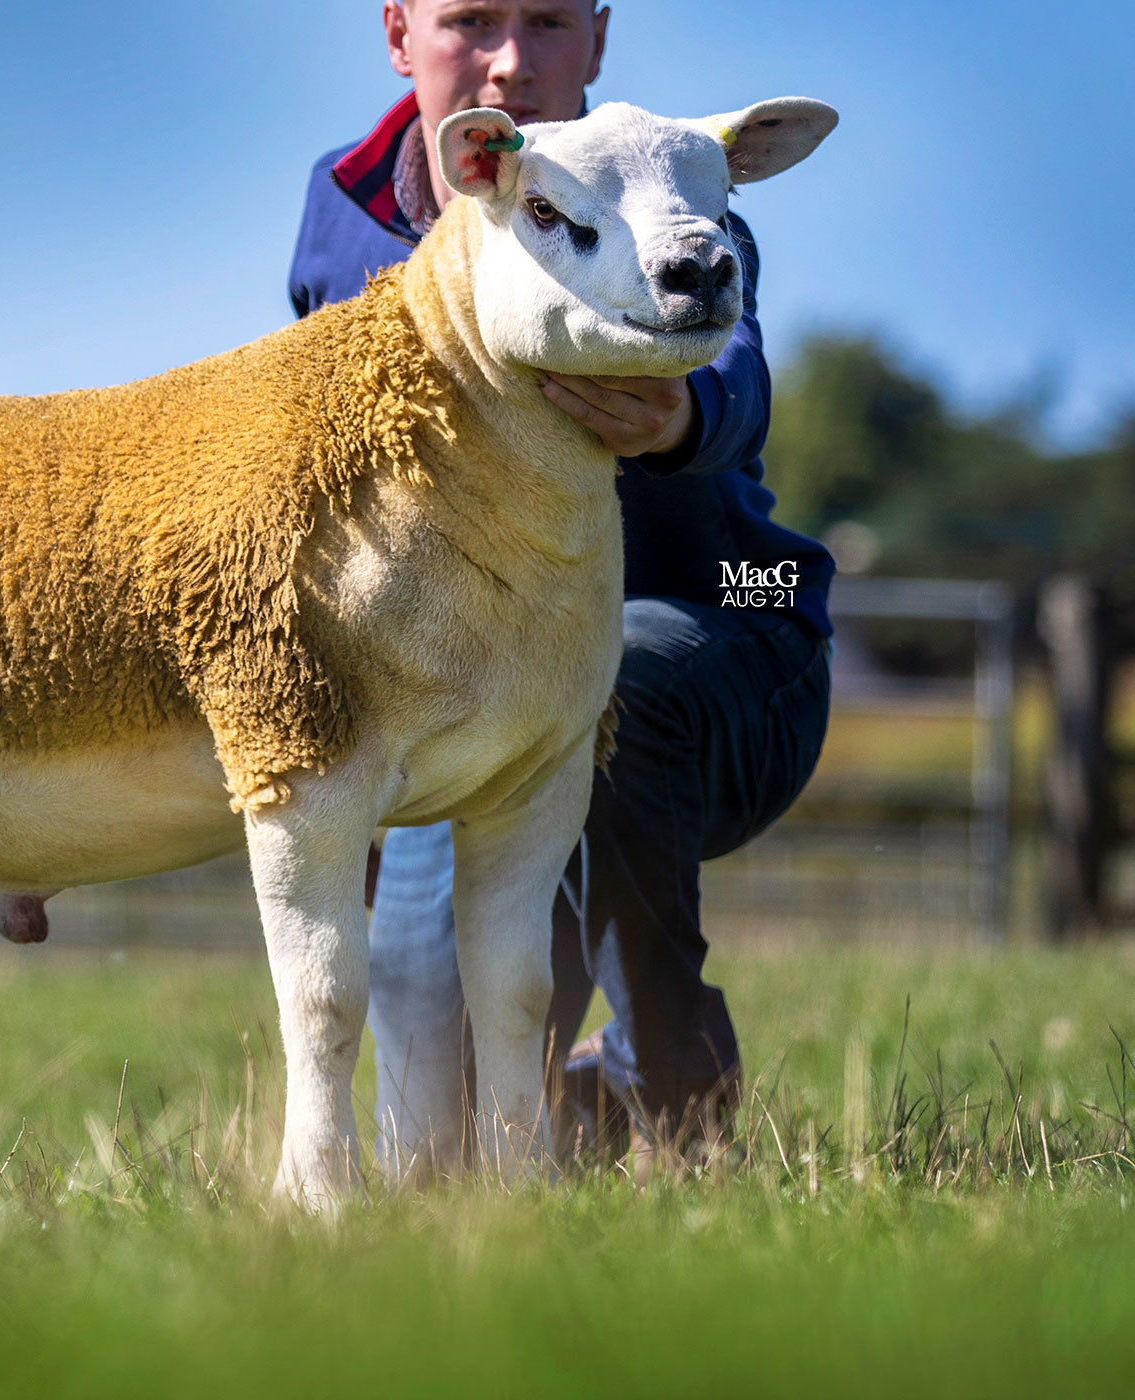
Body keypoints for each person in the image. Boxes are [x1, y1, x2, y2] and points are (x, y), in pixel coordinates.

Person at [289, 0, 833, 1161]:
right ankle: (561, 1113)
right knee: (436, 1153)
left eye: (546, 21)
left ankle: (672, 1093)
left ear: (598, 38)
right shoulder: (340, 217)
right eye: (470, 20)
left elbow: (739, 372)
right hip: (471, 680)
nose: (509, 59)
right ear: (397, 33)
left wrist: (682, 408)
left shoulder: (666, 180)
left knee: (617, 669)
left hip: (722, 600)